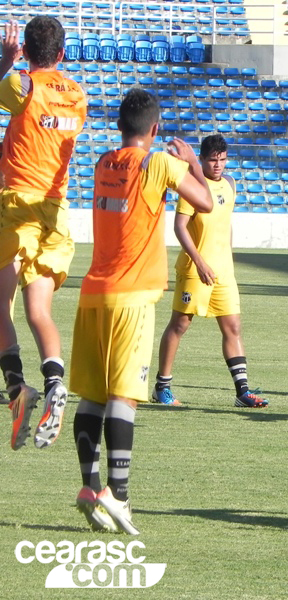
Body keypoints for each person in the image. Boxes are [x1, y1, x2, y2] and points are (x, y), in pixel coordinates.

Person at [70, 89, 212, 534]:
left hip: (92, 293)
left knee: (92, 395)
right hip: (132, 296)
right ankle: (120, 495)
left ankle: (89, 488)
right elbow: (205, 203)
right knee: (124, 395)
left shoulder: (102, 163)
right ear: (154, 130)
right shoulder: (159, 163)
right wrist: (191, 162)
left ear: (118, 127)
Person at [0, 18, 86, 449]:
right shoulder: (77, 95)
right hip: (57, 211)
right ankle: (55, 381)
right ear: (63, 53)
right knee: (40, 312)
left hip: (18, 207)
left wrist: (5, 60)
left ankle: (17, 389)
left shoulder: (22, 87)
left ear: (26, 52)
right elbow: (33, 134)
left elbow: (9, 91)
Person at [152, 134, 267, 408]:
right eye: (213, 160)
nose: (218, 165)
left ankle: (242, 392)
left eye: (222, 160)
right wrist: (200, 262)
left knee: (233, 326)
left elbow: (225, 224)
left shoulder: (230, 183)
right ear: (201, 159)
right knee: (180, 324)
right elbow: (180, 227)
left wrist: (228, 256)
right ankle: (162, 387)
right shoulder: (192, 187)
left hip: (224, 271)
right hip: (195, 269)